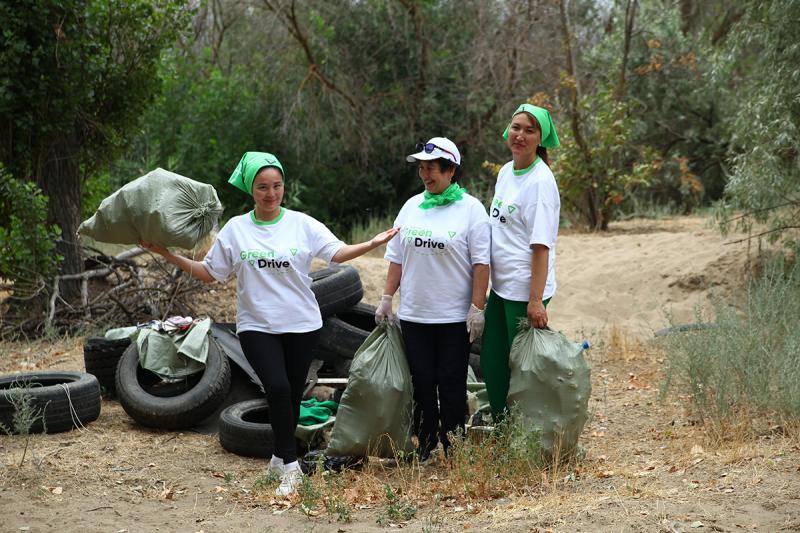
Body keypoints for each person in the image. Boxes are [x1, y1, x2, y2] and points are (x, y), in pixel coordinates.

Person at [140, 152, 398, 496]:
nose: (271, 193)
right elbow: (209, 273)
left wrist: (372, 243)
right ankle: (292, 468)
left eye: (277, 186)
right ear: (252, 190)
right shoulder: (237, 229)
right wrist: (167, 253)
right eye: (263, 187)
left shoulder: (302, 224)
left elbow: (335, 253)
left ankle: (279, 456)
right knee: (276, 387)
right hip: (256, 326)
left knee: (292, 393)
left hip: (303, 324)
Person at [376, 137, 490, 460]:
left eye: (432, 169)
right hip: (415, 316)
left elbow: (482, 263)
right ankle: (425, 446)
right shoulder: (412, 207)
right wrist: (387, 297)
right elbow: (396, 258)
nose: (425, 175)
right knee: (422, 383)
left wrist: (477, 307)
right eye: (422, 169)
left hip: (454, 319)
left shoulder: (471, 211)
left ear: (451, 170)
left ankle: (454, 448)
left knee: (451, 385)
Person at [481, 103, 561, 421]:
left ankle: (527, 431)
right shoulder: (505, 172)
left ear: (540, 138)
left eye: (530, 130)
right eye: (516, 127)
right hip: (502, 287)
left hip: (526, 290)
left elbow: (541, 247)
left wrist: (535, 300)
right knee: (491, 358)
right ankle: (504, 425)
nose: (520, 136)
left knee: (523, 367)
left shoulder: (540, 182)